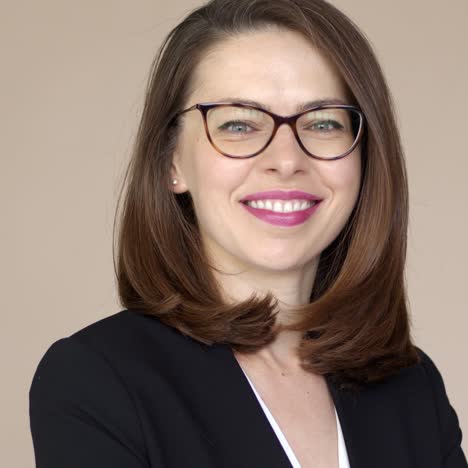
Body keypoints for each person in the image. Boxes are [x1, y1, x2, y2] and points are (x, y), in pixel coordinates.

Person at [29, 0, 467, 467]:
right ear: (171, 161)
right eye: (238, 124)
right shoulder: (97, 381)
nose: (286, 159)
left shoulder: (411, 386)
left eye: (323, 123)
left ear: (363, 157)